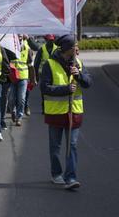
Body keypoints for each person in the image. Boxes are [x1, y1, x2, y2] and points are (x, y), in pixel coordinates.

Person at [40, 34, 92, 190]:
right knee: (55, 146)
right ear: (68, 49)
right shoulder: (49, 64)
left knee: (72, 145)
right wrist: (65, 89)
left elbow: (88, 83)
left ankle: (71, 178)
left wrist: (79, 76)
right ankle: (56, 174)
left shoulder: (79, 63)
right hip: (55, 112)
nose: (77, 48)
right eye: (75, 46)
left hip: (74, 112)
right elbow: (45, 88)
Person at [9, 34, 35, 126]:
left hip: (23, 77)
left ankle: (19, 117)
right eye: (17, 34)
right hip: (12, 77)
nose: (19, 35)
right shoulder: (10, 47)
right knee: (11, 98)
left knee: (21, 98)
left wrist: (33, 79)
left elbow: (30, 65)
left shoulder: (27, 48)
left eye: (20, 34)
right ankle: (13, 111)